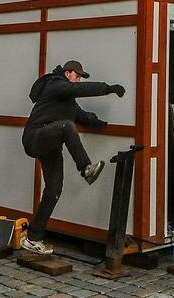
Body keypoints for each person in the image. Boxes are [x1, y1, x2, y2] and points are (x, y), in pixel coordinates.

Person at [20, 60, 126, 255]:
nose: (78, 81)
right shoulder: (55, 84)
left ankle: (33, 238)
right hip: (35, 137)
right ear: (67, 73)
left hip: (50, 146)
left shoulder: (67, 99)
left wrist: (99, 123)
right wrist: (107, 88)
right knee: (66, 126)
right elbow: (79, 90)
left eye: (80, 78)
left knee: (54, 190)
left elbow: (80, 115)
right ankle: (86, 168)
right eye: (77, 76)